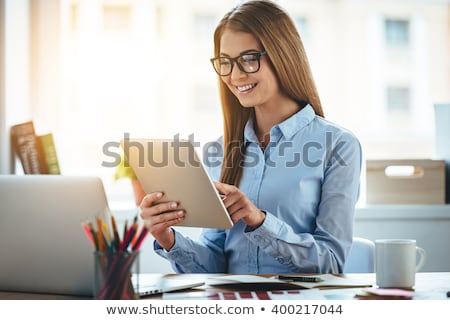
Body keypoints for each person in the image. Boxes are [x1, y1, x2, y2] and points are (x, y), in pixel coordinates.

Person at [140, 0, 362, 274]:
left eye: (248, 59)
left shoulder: (338, 145)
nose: (234, 75)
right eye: (226, 62)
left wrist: (259, 221)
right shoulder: (219, 150)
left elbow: (330, 262)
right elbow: (216, 265)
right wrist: (168, 238)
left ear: (283, 55)